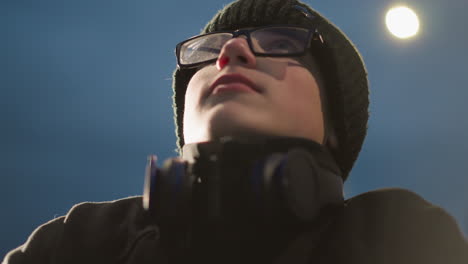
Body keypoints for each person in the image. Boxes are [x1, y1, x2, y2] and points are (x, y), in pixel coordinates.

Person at [3, 0, 468, 263]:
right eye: (209, 50)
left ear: (335, 125)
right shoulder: (77, 243)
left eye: (280, 44)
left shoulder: (399, 238)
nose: (231, 54)